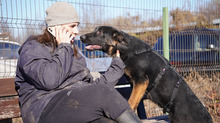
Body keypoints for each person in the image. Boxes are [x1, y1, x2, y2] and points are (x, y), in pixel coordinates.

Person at [15, 1, 142, 123]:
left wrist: (118, 64)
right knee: (104, 94)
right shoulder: (33, 48)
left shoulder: (73, 53)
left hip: (73, 106)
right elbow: (49, 80)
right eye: (72, 26)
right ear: (56, 28)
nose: (76, 31)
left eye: (77, 26)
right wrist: (64, 46)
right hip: (43, 108)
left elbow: (93, 87)